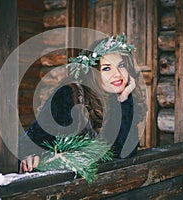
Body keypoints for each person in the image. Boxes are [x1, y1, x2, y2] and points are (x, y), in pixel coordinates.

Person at [19, 34, 146, 173]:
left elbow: (124, 152)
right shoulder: (68, 95)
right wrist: (29, 155)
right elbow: (33, 138)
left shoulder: (118, 98)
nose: (118, 74)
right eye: (106, 68)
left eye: (121, 65)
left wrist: (124, 101)